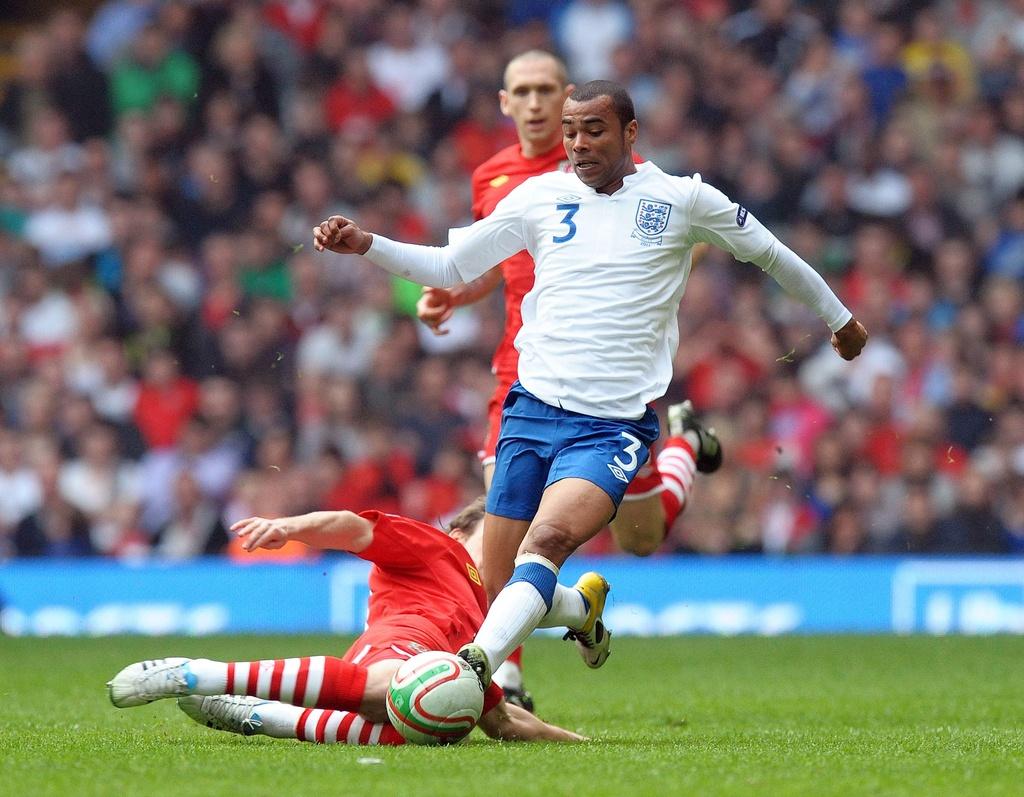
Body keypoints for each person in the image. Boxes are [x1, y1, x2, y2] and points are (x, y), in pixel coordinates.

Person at [312, 80, 869, 688]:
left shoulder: (683, 199)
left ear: (630, 134)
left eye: (594, 131)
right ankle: (580, 608)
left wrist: (839, 319)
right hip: (529, 409)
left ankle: (475, 669)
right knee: (495, 583)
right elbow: (450, 266)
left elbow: (771, 253)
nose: (578, 144)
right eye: (571, 132)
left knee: (550, 540)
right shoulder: (539, 197)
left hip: (609, 426)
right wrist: (364, 244)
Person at [415, 49, 717, 708]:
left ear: (568, 95)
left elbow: (685, 233)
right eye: (520, 91)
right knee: (510, 529)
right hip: (524, 377)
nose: (533, 103)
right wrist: (451, 297)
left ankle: (686, 445)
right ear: (503, 102)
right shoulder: (495, 177)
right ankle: (505, 678)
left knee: (640, 538)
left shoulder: (607, 171)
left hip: (613, 387)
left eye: (545, 89)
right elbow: (491, 263)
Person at [107, 497, 586, 744]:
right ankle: (194, 673)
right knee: (401, 691)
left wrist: (579, 743)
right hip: (400, 641)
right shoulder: (436, 548)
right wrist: (289, 528)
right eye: (497, 535)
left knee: (436, 728)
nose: (507, 548)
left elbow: (503, 721)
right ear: (460, 532)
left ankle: (261, 714)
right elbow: (355, 529)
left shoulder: (486, 621)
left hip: (436, 666)